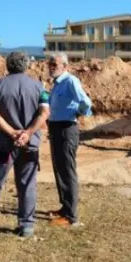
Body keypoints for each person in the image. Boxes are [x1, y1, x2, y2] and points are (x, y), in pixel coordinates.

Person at [0, 51, 50, 237]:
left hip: (2, 145)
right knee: (27, 184)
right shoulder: (39, 87)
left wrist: (12, 133)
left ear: (7, 65)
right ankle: (26, 225)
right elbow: (44, 113)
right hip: (30, 145)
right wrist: (27, 133)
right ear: (26, 65)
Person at [46, 52, 92, 227]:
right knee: (59, 169)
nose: (51, 67)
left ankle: (71, 216)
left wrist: (80, 112)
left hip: (67, 129)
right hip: (56, 128)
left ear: (65, 66)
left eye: (55, 65)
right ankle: (65, 208)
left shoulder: (70, 81)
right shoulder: (57, 84)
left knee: (67, 170)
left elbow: (86, 102)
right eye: (50, 64)